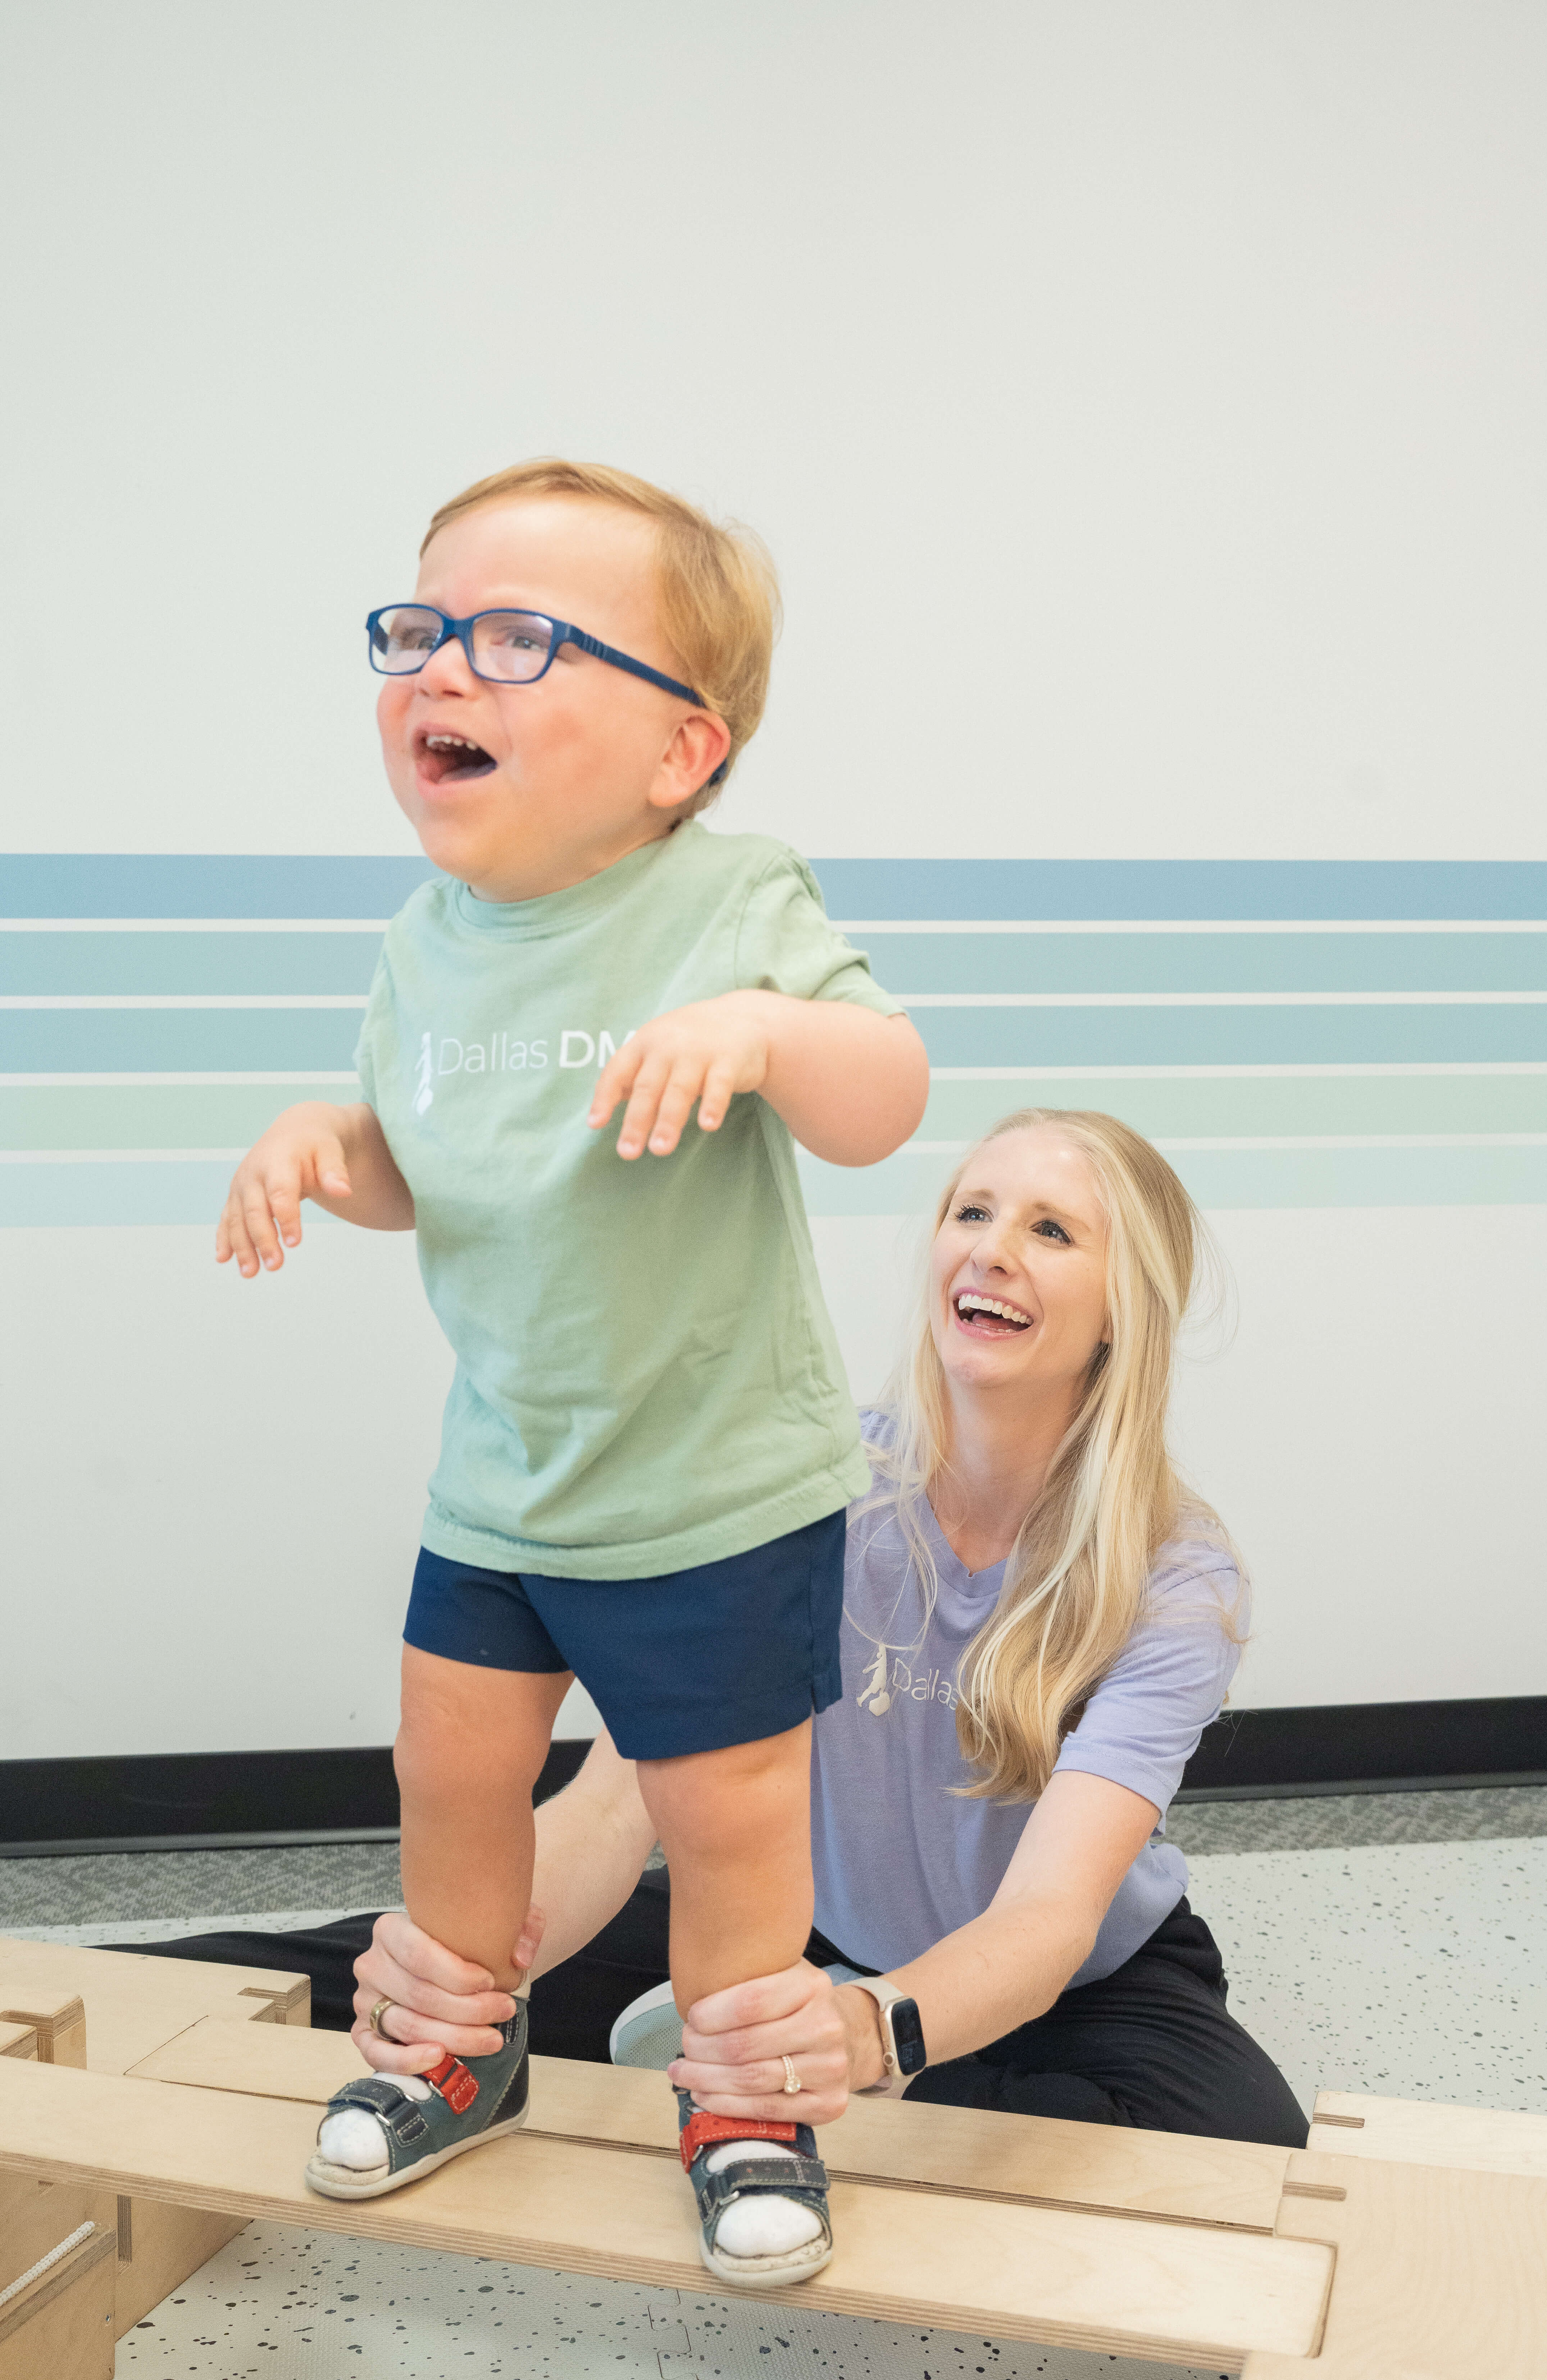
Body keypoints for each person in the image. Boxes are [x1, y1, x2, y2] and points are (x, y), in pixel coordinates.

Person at [213, 457, 929, 2280]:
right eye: (421, 630)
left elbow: (883, 1092)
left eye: (519, 638)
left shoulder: (733, 895)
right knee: (450, 1769)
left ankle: (746, 2094)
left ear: (682, 752)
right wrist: (328, 1144)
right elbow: (426, 1161)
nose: (445, 669)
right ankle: (460, 2046)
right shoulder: (423, 948)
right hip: (506, 1474)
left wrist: (766, 1028)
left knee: (730, 1813)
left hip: (710, 1484)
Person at [350, 1108, 1308, 2173]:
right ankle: (776, 2044)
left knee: (1253, 2149)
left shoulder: (1173, 1579)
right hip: (801, 1929)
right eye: (972, 1211)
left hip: (1070, 1980)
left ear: (1121, 1309)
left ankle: (833, 2059)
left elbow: (1047, 1919)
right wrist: (469, 1972)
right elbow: (620, 1800)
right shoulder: (807, 1490)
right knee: (372, 1972)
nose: (990, 1247)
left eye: (1051, 1231)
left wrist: (865, 2033)